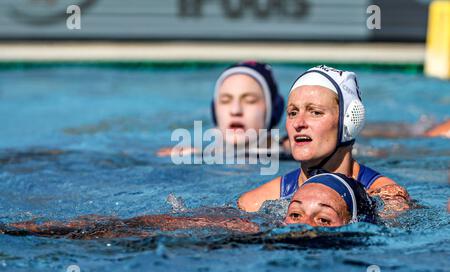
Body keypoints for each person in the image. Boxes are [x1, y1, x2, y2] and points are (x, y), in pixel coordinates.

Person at [238, 65, 411, 213]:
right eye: (293, 113)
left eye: (315, 112)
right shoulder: (254, 203)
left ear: (350, 121)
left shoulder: (388, 202)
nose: (298, 123)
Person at [0, 172, 376, 239]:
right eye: (295, 213)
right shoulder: (251, 231)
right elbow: (139, 225)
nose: (302, 225)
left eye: (323, 218)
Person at [156, 61, 287, 157]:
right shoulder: (194, 155)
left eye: (249, 100)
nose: (235, 111)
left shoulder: (291, 151)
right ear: (214, 112)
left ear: (274, 110)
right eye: (225, 101)